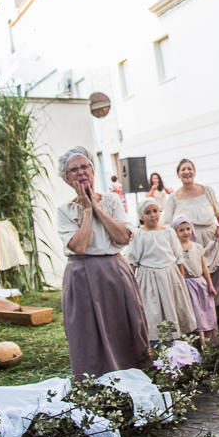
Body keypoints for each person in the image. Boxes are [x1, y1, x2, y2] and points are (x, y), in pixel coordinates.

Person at [57, 147, 150, 378]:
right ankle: (95, 380)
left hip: (113, 270)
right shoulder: (66, 210)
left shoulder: (111, 200)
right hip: (82, 273)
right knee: (87, 329)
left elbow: (123, 237)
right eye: (73, 170)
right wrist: (87, 210)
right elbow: (79, 246)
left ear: (92, 170)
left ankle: (131, 375)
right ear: (67, 178)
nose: (80, 173)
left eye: (84, 167)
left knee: (125, 324)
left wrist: (97, 208)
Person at [163, 159, 219, 323]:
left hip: (211, 237)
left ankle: (218, 310)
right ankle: (201, 315)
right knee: (196, 278)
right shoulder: (174, 198)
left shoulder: (207, 191)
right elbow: (167, 224)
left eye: (189, 169)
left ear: (194, 171)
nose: (187, 172)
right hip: (189, 242)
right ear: (178, 174)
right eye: (183, 169)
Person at [123, 198, 196, 343]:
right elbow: (133, 261)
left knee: (173, 305)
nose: (153, 215)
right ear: (141, 217)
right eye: (148, 212)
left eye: (155, 211)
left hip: (170, 275)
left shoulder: (168, 232)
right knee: (152, 310)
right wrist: (129, 284)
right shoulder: (138, 234)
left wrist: (181, 280)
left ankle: (177, 341)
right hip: (148, 277)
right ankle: (154, 343)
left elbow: (178, 258)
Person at [172, 214, 218, 346]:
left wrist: (210, 284)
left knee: (206, 312)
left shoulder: (197, 247)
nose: (186, 232)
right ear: (175, 232)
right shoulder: (176, 249)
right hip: (186, 285)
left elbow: (204, 267)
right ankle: (195, 343)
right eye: (181, 230)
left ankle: (209, 343)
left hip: (200, 283)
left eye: (188, 229)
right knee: (194, 314)